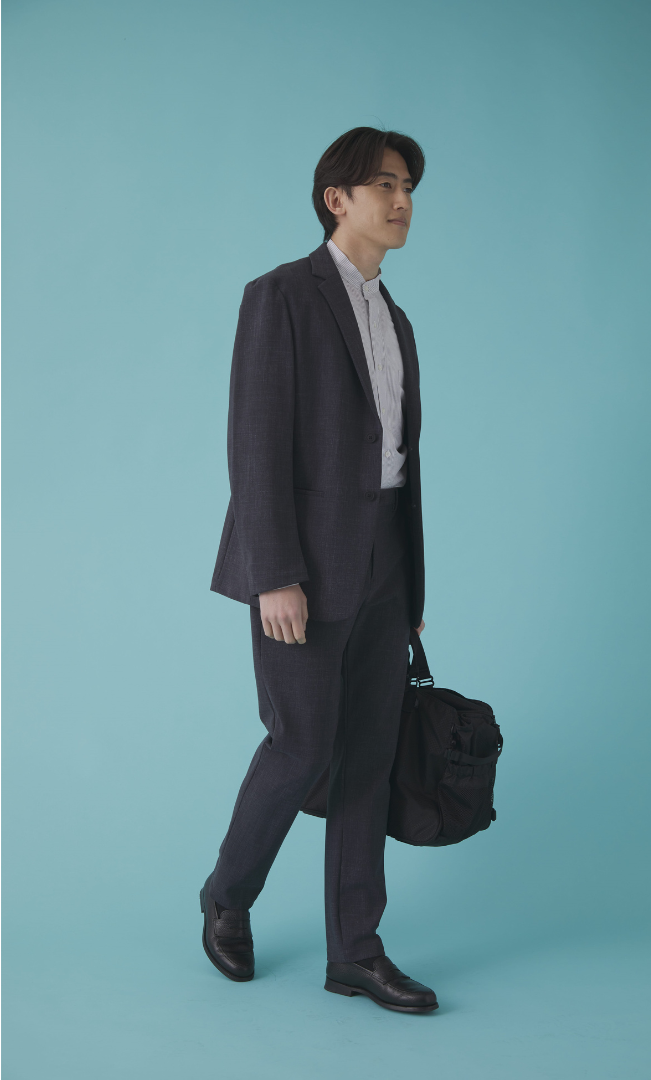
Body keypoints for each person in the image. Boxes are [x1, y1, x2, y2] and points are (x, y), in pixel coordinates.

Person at [201, 127, 437, 1013]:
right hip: (302, 559)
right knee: (301, 745)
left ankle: (356, 952)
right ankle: (227, 895)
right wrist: (274, 573)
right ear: (337, 198)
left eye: (409, 188)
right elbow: (256, 443)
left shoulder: (397, 319)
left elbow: (401, 461)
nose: (403, 201)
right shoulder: (281, 297)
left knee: (369, 757)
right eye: (386, 185)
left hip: (385, 561)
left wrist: (409, 588)